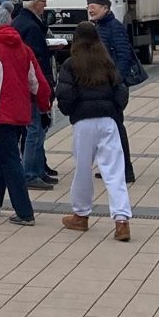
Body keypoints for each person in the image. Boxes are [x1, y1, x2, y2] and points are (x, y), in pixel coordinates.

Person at [0, 4, 51, 227]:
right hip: (20, 110)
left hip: (0, 111)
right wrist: (44, 105)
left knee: (10, 160)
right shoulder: (22, 47)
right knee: (5, 153)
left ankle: (25, 211)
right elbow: (36, 81)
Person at [55, 21, 131, 241]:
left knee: (82, 170)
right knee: (115, 171)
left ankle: (81, 215)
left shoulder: (71, 64)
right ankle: (122, 220)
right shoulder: (106, 62)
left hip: (83, 121)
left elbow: (65, 94)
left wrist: (70, 111)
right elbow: (120, 90)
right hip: (108, 120)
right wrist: (115, 110)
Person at [84, 0, 138, 185]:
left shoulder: (114, 27)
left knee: (115, 128)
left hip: (113, 87)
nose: (90, 9)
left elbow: (124, 55)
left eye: (94, 6)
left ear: (105, 8)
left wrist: (116, 81)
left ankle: (126, 171)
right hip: (103, 85)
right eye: (89, 6)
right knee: (108, 130)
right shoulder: (98, 27)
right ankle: (114, 168)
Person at [11, 0, 59, 191]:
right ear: (33, 3)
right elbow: (35, 59)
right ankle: (30, 173)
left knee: (38, 128)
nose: (45, 4)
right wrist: (46, 83)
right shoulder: (29, 26)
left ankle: (38, 170)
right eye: (43, 1)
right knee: (35, 130)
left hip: (29, 83)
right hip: (33, 85)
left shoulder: (26, 22)